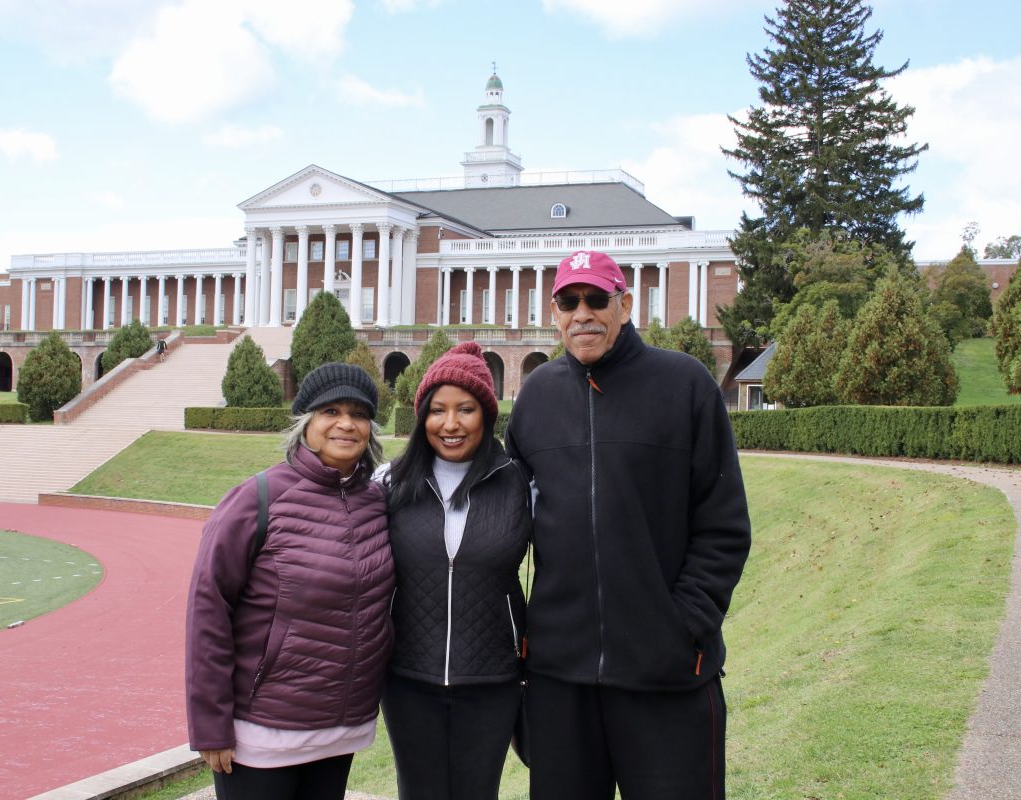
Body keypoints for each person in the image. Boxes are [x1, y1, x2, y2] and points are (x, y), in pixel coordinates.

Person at [505, 250, 752, 800]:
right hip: (560, 680)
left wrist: (683, 623)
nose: (583, 313)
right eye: (569, 302)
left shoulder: (684, 384)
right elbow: (504, 525)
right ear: (555, 312)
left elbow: (724, 523)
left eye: (597, 299)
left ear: (625, 304)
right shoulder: (537, 396)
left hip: (665, 673)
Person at [185, 362, 394, 800]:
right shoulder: (255, 499)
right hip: (261, 735)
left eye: (358, 413)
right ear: (305, 422)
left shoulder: (378, 502)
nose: (346, 424)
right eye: (330, 411)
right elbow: (209, 609)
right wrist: (210, 723)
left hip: (340, 731)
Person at [377, 342, 532, 800]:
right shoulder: (389, 482)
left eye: (465, 409)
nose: (450, 424)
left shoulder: (519, 483)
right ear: (421, 415)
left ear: (485, 413)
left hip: (492, 679)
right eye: (437, 410)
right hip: (408, 678)